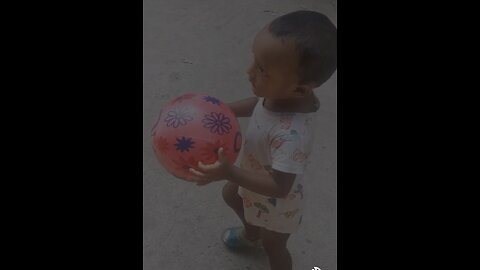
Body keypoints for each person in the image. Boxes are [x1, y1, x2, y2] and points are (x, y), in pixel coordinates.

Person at [189, 10, 337, 270]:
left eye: (262, 70)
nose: (249, 72)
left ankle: (266, 246)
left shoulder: (293, 135)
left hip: (278, 202)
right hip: (255, 171)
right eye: (254, 61)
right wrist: (225, 109)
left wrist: (229, 171)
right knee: (232, 196)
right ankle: (251, 235)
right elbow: (259, 105)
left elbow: (280, 187)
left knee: (275, 246)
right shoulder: (282, 95)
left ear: (300, 88)